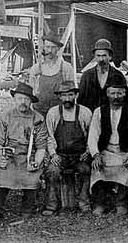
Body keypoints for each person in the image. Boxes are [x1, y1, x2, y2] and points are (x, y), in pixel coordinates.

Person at [88, 77, 128, 216]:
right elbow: (93, 135)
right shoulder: (99, 112)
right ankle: (100, 202)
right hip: (105, 151)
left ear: (125, 94)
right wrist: (95, 155)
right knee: (97, 167)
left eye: (119, 93)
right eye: (112, 93)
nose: (116, 97)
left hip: (124, 152)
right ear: (107, 94)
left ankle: (121, 202)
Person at [0, 82, 47, 219]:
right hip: (10, 156)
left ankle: (27, 208)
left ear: (30, 101)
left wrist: (36, 162)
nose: (23, 102)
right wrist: (0, 157)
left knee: (32, 178)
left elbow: (41, 147)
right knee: (2, 175)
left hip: (29, 156)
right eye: (20, 98)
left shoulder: (38, 119)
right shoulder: (5, 117)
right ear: (14, 99)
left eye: (26, 99)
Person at [42, 81, 93, 216]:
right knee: (52, 172)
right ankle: (51, 204)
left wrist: (87, 152)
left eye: (70, 95)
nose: (67, 99)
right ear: (59, 97)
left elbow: (91, 136)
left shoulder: (85, 112)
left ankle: (84, 203)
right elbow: (49, 136)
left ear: (76, 95)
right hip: (60, 155)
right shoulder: (53, 113)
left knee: (86, 170)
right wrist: (53, 155)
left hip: (79, 155)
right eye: (64, 96)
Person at [27, 33, 75, 118]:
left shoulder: (65, 68)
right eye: (47, 47)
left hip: (59, 111)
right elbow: (31, 92)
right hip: (39, 111)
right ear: (44, 48)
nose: (49, 50)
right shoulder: (36, 69)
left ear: (58, 49)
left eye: (53, 47)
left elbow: (71, 93)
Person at [78, 39, 128, 112]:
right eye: (98, 56)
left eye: (104, 56)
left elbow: (126, 100)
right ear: (95, 57)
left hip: (111, 116)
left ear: (110, 57)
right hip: (91, 116)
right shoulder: (87, 76)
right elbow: (81, 99)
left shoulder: (118, 76)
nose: (101, 59)